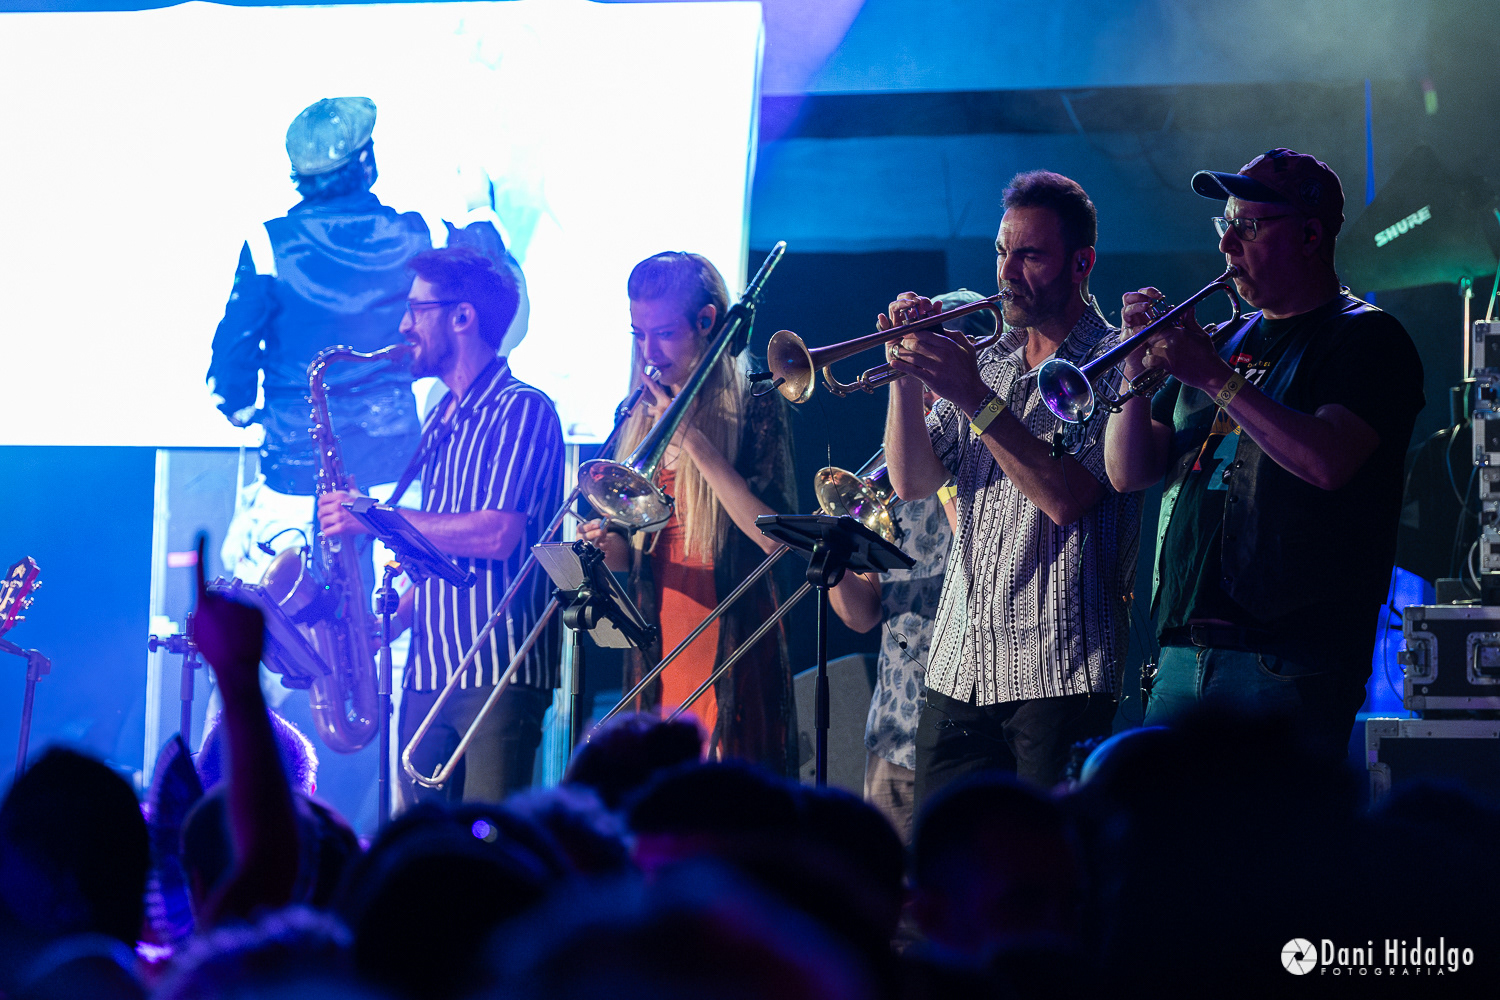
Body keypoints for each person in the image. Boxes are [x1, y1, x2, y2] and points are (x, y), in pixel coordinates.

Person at [1103, 148, 1424, 754]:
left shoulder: (1365, 337)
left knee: (1275, 820)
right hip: (1181, 651)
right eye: (1225, 224)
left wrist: (1213, 378)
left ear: (1309, 236)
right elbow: (1128, 471)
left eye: (1248, 227)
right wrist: (1132, 369)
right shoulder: (1224, 339)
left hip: (1287, 658)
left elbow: (1327, 462)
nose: (1227, 245)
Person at [882, 171, 1139, 804]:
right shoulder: (989, 358)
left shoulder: (1115, 361)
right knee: (939, 859)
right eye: (1001, 252)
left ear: (1082, 263)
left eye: (1029, 255)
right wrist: (905, 373)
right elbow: (912, 482)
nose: (1006, 272)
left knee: (1048, 859)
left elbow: (1066, 497)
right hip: (959, 665)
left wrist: (972, 395)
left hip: (1060, 670)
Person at [209, 95, 527, 586]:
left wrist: (241, 410)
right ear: (366, 162)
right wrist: (480, 203)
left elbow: (231, 361)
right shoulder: (420, 234)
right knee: (395, 614)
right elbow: (488, 257)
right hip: (391, 467)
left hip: (294, 470)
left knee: (288, 617)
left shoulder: (269, 243)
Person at [319, 245, 564, 806]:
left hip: (496, 670)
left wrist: (371, 516)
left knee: (485, 845)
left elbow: (496, 535)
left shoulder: (522, 409)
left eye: (416, 309)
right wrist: (392, 621)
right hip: (429, 671)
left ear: (462, 316)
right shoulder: (441, 418)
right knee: (422, 847)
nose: (404, 326)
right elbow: (440, 549)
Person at [580, 252, 798, 774]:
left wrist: (694, 441)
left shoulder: (756, 401)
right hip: (657, 651)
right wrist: (611, 550)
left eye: (663, 334)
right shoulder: (634, 413)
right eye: (638, 334)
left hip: (731, 648)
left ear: (706, 321)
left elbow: (777, 540)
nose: (648, 352)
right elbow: (641, 558)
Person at [827, 289, 986, 842]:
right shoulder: (889, 475)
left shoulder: (996, 462)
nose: (927, 388)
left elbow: (985, 560)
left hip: (973, 732)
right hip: (894, 730)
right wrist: (835, 559)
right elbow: (862, 615)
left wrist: (938, 472)